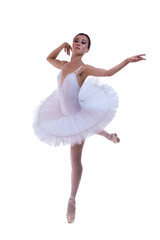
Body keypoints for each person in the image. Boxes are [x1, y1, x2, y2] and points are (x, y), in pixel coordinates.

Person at [33, 33, 146, 223]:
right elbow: (48, 58)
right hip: (62, 114)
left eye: (83, 42)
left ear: (87, 49)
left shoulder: (84, 69)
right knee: (88, 125)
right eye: (76, 40)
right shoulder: (62, 65)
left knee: (74, 160)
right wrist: (62, 45)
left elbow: (109, 72)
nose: (78, 43)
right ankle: (109, 136)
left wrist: (126, 60)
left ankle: (71, 199)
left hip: (76, 115)